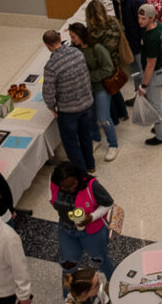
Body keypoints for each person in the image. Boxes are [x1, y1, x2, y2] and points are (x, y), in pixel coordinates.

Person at [50, 163, 115, 291]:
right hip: (66, 231)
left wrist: (91, 217)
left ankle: (113, 282)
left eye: (73, 184)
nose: (70, 189)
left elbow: (108, 203)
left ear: (78, 177)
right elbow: (52, 198)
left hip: (92, 232)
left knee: (100, 259)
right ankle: (69, 295)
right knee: (68, 265)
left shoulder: (92, 186)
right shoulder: (54, 183)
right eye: (65, 187)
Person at [42, 29, 96, 173]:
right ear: (60, 38)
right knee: (86, 136)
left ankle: (81, 174)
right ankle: (90, 165)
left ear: (47, 45)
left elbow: (48, 92)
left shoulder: (51, 66)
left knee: (71, 142)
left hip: (68, 111)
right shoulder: (77, 53)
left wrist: (52, 107)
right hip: (87, 103)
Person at [69, 23, 119, 161]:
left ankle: (113, 144)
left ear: (81, 36)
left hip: (101, 88)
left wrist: (88, 77)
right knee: (90, 117)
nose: (72, 40)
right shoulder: (75, 50)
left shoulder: (97, 48)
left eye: (73, 37)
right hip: (86, 90)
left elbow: (108, 68)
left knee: (104, 118)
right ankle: (96, 139)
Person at [136, 4, 162, 145]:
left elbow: (150, 64)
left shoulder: (151, 38)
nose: (140, 21)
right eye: (139, 18)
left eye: (143, 19)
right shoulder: (159, 26)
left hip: (154, 73)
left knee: (155, 106)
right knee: (158, 101)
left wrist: (144, 85)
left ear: (152, 18)